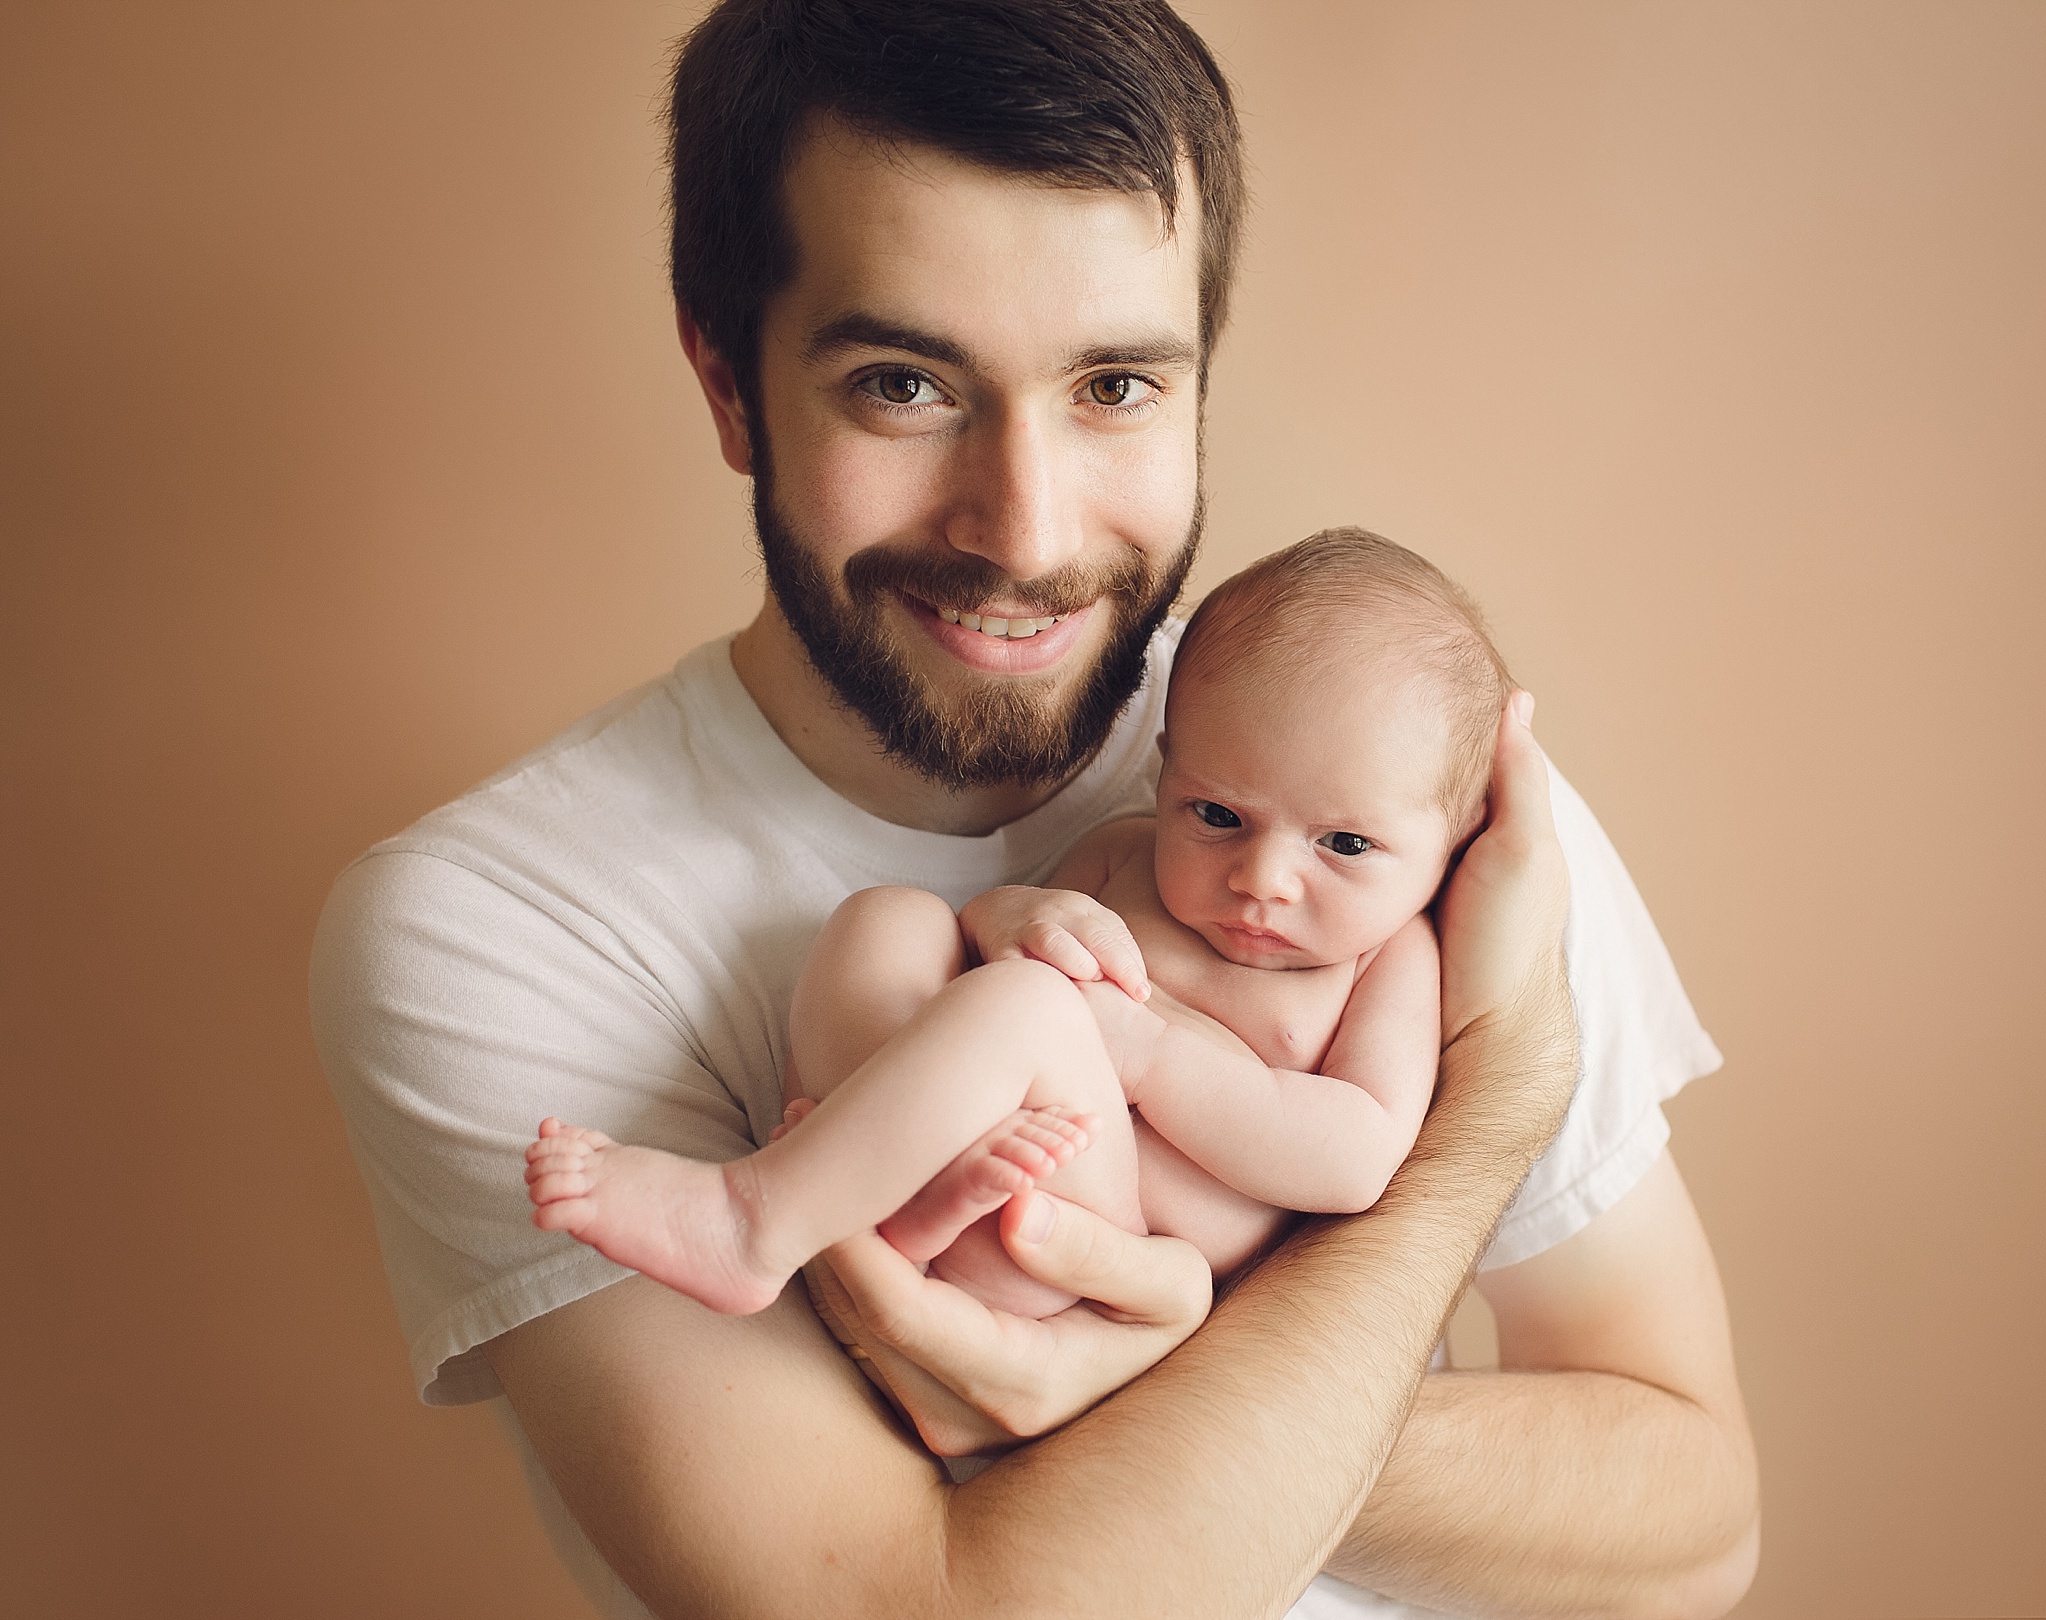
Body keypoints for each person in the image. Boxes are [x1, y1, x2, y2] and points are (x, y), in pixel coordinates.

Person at [308, 2, 1761, 1615]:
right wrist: (1484, 1119)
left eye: (1116, 384)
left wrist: (1155, 1368)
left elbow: (1694, 1526)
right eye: (907, 384)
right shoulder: (494, 923)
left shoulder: (1387, 782)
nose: (1025, 524)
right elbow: (906, 1608)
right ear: (728, 382)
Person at [522, 532, 1498, 1325]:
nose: (1264, 878)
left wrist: (1149, 1052)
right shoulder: (1123, 857)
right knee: (888, 922)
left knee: (1033, 1008)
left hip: (1095, 1238)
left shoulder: (1390, 958)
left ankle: (755, 1221)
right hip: (984, 1149)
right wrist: (1026, 910)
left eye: (1345, 844)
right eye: (1216, 815)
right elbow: (997, 954)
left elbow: (1359, 1154)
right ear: (1166, 775)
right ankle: (879, 1187)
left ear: (1450, 845)